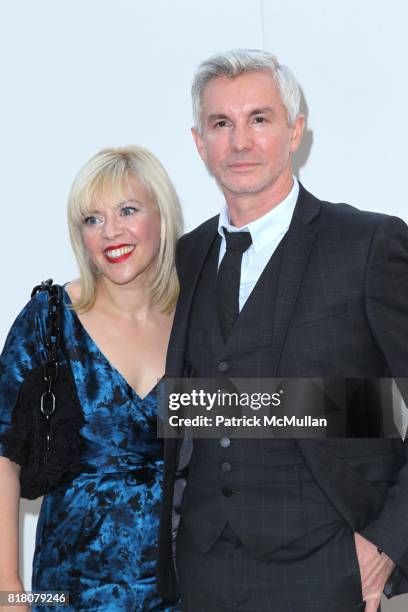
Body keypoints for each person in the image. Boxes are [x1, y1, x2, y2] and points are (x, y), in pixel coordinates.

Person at [158, 49, 408, 611]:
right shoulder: (184, 257)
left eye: (259, 119)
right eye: (221, 124)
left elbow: (381, 408)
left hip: (329, 568)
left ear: (295, 131)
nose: (240, 142)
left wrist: (386, 544)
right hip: (201, 572)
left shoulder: (368, 245)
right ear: (200, 143)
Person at [0, 145, 183, 611]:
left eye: (127, 210)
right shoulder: (50, 320)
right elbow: (4, 453)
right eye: (92, 219)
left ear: (161, 217)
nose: (111, 232)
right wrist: (9, 589)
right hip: (70, 588)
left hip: (186, 588)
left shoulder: (201, 319)